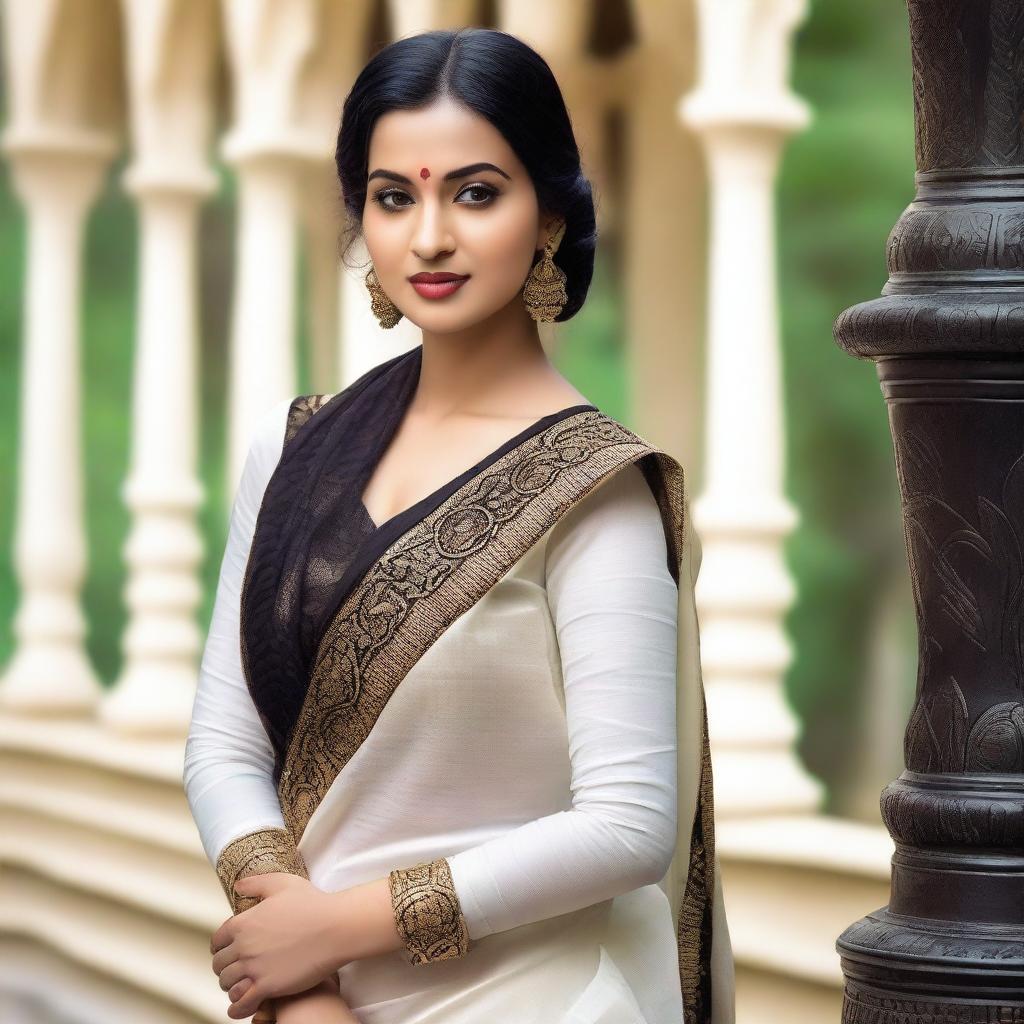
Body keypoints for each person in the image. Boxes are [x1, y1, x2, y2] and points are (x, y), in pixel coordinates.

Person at [183, 26, 734, 1024]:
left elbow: (625, 825)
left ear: (549, 216)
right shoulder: (294, 448)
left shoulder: (592, 489)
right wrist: (304, 987)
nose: (428, 237)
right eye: (395, 197)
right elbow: (223, 745)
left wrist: (332, 931)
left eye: (474, 193)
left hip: (543, 997)